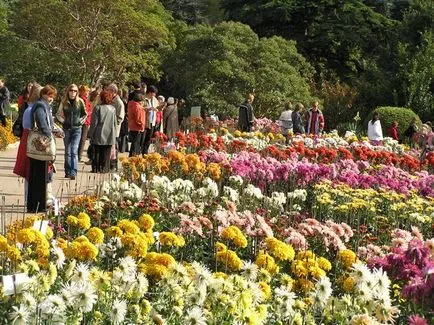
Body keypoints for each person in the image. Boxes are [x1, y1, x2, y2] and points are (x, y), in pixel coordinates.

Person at [27, 85, 57, 213]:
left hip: (39, 144)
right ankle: (38, 204)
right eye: (49, 95)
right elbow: (42, 123)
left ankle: (36, 204)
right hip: (41, 144)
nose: (51, 98)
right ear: (43, 94)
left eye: (52, 96)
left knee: (37, 174)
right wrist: (49, 135)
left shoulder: (42, 105)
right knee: (39, 175)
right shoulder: (40, 105)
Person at [14, 84, 42, 203]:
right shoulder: (33, 109)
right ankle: (30, 200)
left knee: (29, 172)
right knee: (31, 171)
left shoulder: (30, 108)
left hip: (27, 141)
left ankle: (28, 199)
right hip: (31, 142)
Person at [56, 84, 87, 180]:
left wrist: (80, 122)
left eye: (75, 91)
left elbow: (84, 114)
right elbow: (58, 114)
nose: (73, 92)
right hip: (67, 129)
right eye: (71, 90)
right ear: (68, 91)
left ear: (77, 92)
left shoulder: (80, 101)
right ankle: (68, 171)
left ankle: (73, 172)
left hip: (77, 129)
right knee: (68, 151)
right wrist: (63, 121)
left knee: (74, 150)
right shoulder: (64, 102)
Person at [88, 90, 117, 173]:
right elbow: (114, 123)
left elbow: (94, 123)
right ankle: (105, 168)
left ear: (101, 98)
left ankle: (96, 168)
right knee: (107, 153)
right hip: (110, 134)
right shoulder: (113, 109)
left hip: (99, 133)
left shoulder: (97, 108)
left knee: (97, 152)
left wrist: (91, 134)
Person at [106, 83, 124, 171]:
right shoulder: (109, 100)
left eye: (108, 90)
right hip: (107, 129)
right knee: (109, 148)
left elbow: (120, 118)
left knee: (114, 148)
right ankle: (108, 164)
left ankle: (113, 165)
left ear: (113, 92)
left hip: (114, 130)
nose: (107, 92)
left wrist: (111, 124)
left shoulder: (118, 103)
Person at [142, 86, 159, 154]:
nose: (154, 95)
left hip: (152, 121)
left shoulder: (154, 99)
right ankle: (142, 151)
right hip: (146, 121)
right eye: (154, 93)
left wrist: (159, 108)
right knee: (144, 138)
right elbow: (141, 108)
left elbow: (157, 106)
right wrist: (149, 109)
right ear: (149, 92)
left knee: (149, 138)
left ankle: (145, 152)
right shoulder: (144, 98)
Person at [128, 91, 146, 156]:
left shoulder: (131, 104)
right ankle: (133, 158)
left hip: (132, 126)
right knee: (135, 144)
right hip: (137, 127)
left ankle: (132, 157)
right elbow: (138, 118)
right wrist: (142, 125)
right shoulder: (137, 107)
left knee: (134, 143)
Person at [77, 85, 93, 162]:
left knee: (81, 139)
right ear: (81, 91)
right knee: (82, 140)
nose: (87, 93)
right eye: (86, 91)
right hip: (84, 122)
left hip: (85, 121)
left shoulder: (84, 99)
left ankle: (78, 155)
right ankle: (79, 156)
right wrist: (91, 112)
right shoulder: (83, 100)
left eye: (88, 91)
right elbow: (85, 111)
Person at [118, 88, 129, 153]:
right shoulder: (124, 100)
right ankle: (123, 148)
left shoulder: (123, 100)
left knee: (122, 133)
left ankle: (122, 148)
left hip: (124, 118)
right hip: (125, 118)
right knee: (123, 134)